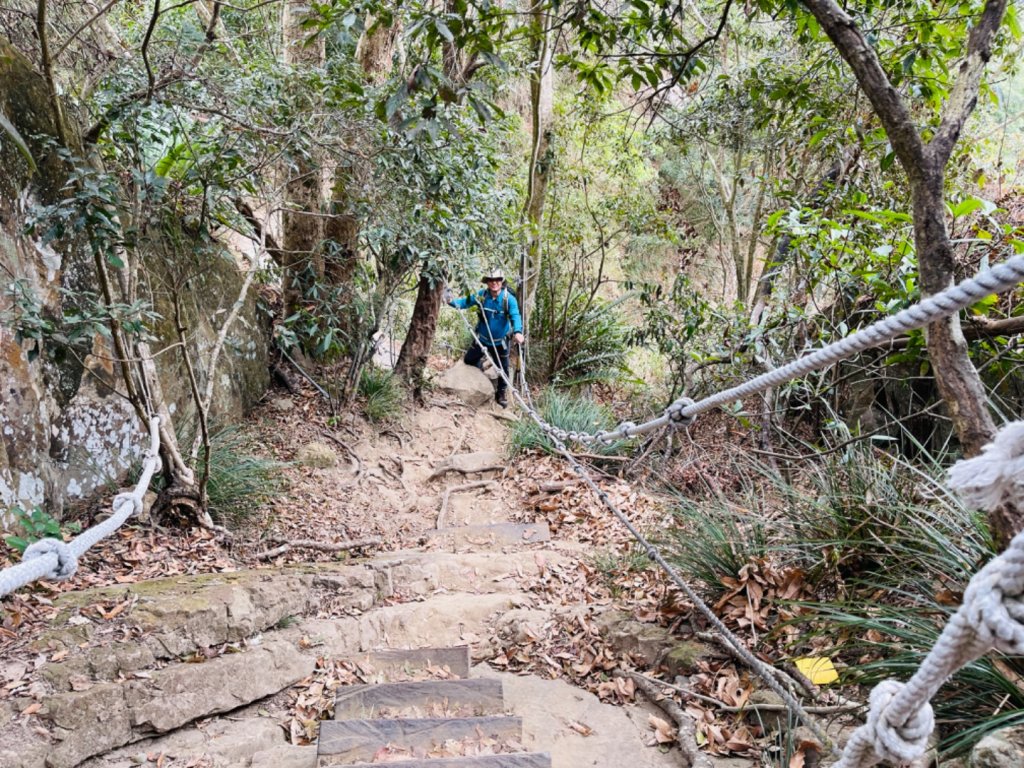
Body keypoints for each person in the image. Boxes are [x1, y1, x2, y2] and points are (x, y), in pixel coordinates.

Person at [446, 268, 524, 408]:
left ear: (502, 281)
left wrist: (518, 332)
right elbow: (464, 302)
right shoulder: (482, 296)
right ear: (487, 282)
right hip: (482, 340)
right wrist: (450, 301)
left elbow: (515, 315)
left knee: (503, 369)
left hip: (500, 342)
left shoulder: (508, 299)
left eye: (497, 280)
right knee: (469, 360)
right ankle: (480, 369)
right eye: (491, 280)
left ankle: (501, 393)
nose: (494, 283)